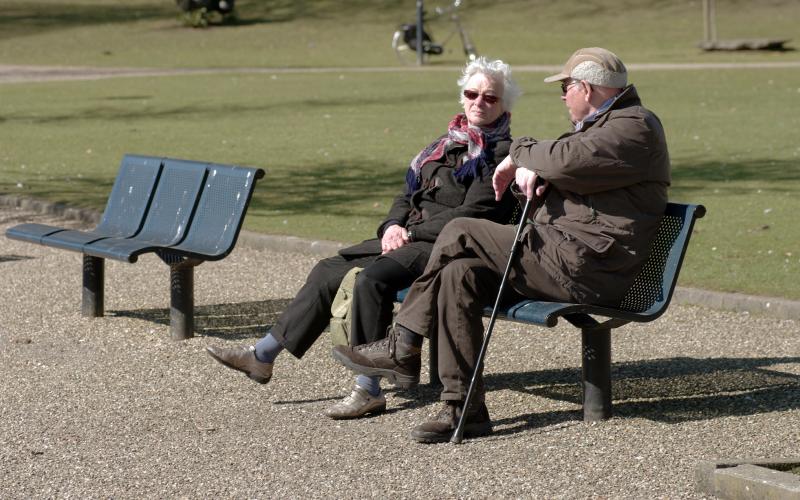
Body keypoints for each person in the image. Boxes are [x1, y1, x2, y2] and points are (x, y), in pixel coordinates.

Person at [332, 47, 672, 442]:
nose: (562, 96)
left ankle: (403, 343)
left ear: (587, 88)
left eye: (566, 88)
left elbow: (563, 159)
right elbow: (576, 170)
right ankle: (464, 407)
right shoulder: (604, 127)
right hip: (561, 255)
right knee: (459, 274)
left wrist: (517, 154)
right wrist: (540, 175)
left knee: (463, 229)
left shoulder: (635, 125)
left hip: (587, 266)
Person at [206, 57, 522, 420]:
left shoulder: (500, 154)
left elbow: (473, 215)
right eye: (472, 93)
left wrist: (410, 232)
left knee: (371, 281)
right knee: (329, 269)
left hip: (444, 246)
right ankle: (262, 356)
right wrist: (391, 226)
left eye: (490, 97)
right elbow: (407, 196)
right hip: (407, 238)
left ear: (503, 105)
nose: (479, 102)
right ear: (462, 97)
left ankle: (367, 389)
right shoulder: (444, 143)